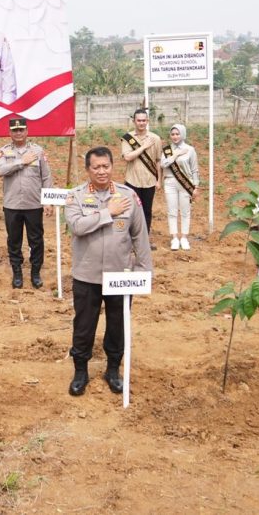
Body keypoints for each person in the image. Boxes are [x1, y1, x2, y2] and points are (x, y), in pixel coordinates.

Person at [64, 147, 152, 396]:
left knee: (117, 325)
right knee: (83, 326)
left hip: (119, 276)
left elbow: (140, 236)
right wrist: (108, 212)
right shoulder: (76, 197)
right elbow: (78, 226)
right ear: (88, 170)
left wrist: (144, 271)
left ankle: (113, 369)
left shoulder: (128, 196)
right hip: (87, 275)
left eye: (106, 166)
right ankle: (80, 371)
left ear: (113, 166)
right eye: (96, 167)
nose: (102, 171)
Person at [0, 117, 53, 289]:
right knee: (14, 240)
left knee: (36, 240)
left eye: (21, 130)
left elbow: (46, 176)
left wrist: (48, 201)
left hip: (33, 204)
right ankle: (17, 273)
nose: (18, 133)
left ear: (27, 131)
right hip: (12, 205)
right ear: (10, 133)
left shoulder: (38, 151)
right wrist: (22, 161)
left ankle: (35, 272)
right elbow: (0, 170)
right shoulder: (4, 151)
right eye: (15, 130)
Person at [120, 108, 162, 248]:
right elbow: (127, 157)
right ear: (134, 121)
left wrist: (159, 180)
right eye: (139, 120)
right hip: (132, 181)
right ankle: (131, 241)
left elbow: (158, 161)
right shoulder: (128, 138)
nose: (141, 123)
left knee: (147, 211)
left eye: (144, 120)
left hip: (149, 181)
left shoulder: (155, 139)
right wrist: (143, 146)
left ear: (147, 121)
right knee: (131, 211)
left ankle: (144, 240)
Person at [161, 123, 200, 251]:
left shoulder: (190, 149)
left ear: (182, 134)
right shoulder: (166, 150)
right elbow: (163, 164)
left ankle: (184, 237)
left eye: (177, 134)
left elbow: (194, 169)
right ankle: (174, 238)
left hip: (185, 183)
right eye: (172, 134)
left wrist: (195, 186)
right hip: (170, 183)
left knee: (185, 211)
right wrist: (176, 154)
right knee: (172, 211)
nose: (175, 136)